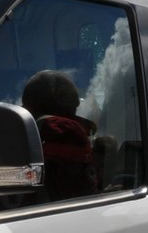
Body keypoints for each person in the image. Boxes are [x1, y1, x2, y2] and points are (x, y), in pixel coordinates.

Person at [22, 70, 96, 201]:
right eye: (74, 106)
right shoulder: (66, 132)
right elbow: (82, 192)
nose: (77, 107)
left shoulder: (18, 136)